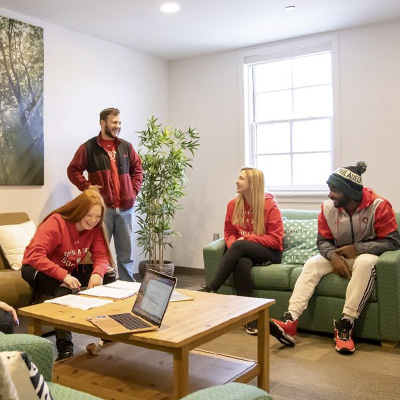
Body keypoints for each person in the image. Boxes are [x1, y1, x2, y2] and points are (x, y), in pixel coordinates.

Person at [270, 161, 400, 354]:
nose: (329, 194)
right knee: (313, 263)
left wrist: (358, 249)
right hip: (339, 254)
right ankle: (291, 320)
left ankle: (346, 324)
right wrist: (332, 256)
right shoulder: (327, 208)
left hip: (367, 256)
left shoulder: (379, 206)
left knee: (364, 262)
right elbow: (322, 242)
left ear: (349, 192)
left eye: (334, 190)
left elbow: (393, 241)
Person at [21, 189, 116, 360]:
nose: (93, 221)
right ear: (79, 210)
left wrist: (98, 273)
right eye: (89, 215)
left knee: (109, 275)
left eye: (97, 217)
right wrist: (63, 276)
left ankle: (109, 335)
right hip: (36, 268)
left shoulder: (95, 228)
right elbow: (35, 255)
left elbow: (101, 256)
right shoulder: (57, 222)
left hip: (66, 269)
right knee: (63, 290)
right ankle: (65, 349)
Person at [67, 107, 143, 282]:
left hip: (125, 209)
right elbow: (73, 170)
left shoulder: (126, 147)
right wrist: (87, 187)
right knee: (99, 254)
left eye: (120, 122)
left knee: (126, 256)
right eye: (114, 122)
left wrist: (133, 190)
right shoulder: (88, 147)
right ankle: (101, 288)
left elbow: (138, 170)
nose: (118, 126)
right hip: (102, 211)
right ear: (103, 123)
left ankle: (127, 290)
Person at [206, 167, 284, 335]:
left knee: (240, 247)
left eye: (241, 179)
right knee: (241, 262)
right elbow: (229, 233)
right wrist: (235, 244)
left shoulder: (269, 205)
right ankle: (250, 318)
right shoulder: (233, 204)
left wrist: (246, 240)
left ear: (252, 184)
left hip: (270, 252)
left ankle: (211, 288)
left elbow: (276, 240)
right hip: (243, 251)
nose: (236, 181)